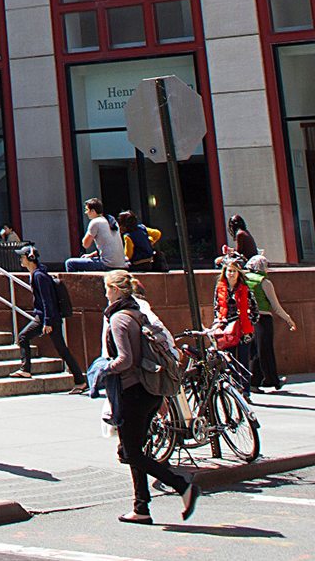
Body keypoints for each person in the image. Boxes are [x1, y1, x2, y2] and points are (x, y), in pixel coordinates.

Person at [99, 270, 198, 525]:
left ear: (116, 290)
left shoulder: (120, 319)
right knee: (135, 450)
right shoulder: (138, 313)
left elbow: (125, 360)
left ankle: (181, 484)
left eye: (107, 289)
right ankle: (141, 507)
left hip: (133, 392)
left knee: (129, 452)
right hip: (149, 391)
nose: (105, 294)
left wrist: (102, 369)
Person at [12, 246, 82, 387]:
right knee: (60, 349)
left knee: (25, 337)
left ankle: (80, 381)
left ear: (30, 258)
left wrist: (47, 321)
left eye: (22, 256)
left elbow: (47, 300)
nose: (20, 259)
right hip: (46, 317)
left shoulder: (39, 276)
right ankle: (79, 380)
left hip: (47, 318)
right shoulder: (37, 274)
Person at [243, 255, 296, 391]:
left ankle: (257, 381)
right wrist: (288, 319)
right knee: (265, 350)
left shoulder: (244, 278)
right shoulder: (264, 282)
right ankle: (268, 380)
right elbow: (276, 306)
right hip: (263, 318)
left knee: (254, 350)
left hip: (247, 318)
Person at [209, 256, 257, 383]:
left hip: (243, 329)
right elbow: (217, 307)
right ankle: (233, 387)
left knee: (243, 361)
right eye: (229, 270)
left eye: (234, 271)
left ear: (238, 273)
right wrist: (219, 322)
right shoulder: (220, 288)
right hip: (226, 329)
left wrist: (248, 321)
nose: (231, 274)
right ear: (224, 272)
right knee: (228, 360)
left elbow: (254, 309)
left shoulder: (245, 289)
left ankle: (245, 391)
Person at [67, 197, 126, 273]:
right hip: (120, 264)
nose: (86, 213)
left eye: (87, 210)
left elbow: (85, 245)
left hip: (107, 264)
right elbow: (108, 246)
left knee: (70, 263)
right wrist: (92, 254)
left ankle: (73, 285)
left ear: (93, 211)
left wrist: (89, 232)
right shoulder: (111, 221)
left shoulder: (95, 222)